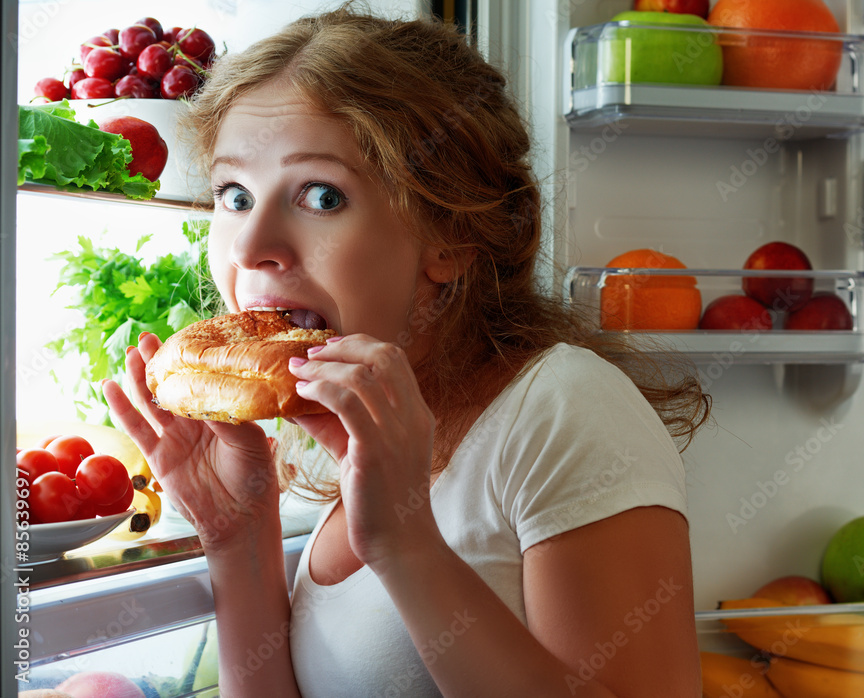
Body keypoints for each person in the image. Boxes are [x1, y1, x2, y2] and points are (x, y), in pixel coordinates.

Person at [103, 5, 711, 696]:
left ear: (448, 235)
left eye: (321, 196)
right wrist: (236, 534)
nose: (249, 245)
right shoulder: (333, 434)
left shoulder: (565, 410)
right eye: (235, 194)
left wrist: (405, 544)